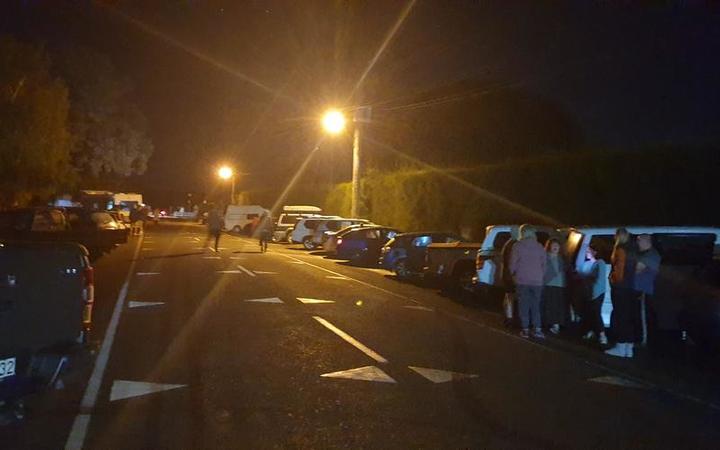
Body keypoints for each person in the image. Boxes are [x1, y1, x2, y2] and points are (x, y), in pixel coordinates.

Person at [509, 225, 547, 339]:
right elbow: (544, 264)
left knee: (524, 305)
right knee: (536, 306)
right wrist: (541, 276)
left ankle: (525, 329)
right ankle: (537, 329)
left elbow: (512, 264)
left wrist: (513, 275)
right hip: (537, 281)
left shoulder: (517, 246)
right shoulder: (539, 246)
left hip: (522, 280)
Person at [606, 228, 638, 358]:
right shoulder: (633, 249)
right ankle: (629, 348)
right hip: (631, 287)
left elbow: (619, 273)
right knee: (629, 316)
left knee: (620, 316)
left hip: (620, 288)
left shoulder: (620, 250)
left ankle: (620, 346)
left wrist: (612, 279)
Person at [634, 234, 661, 349]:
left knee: (644, 317)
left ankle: (645, 342)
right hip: (643, 291)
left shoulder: (650, 255)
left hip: (645, 291)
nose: (637, 244)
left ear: (646, 241)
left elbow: (636, 269)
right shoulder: (649, 254)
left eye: (639, 241)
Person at [579, 244, 608, 345]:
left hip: (597, 293)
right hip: (591, 292)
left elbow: (598, 279)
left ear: (595, 252)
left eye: (589, 251)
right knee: (591, 313)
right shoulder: (590, 263)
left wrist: (593, 290)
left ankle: (602, 335)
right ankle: (592, 332)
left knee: (596, 314)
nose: (587, 253)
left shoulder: (600, 263)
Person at [542, 238, 567, 335]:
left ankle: (556, 325)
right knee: (550, 305)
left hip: (560, 285)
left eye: (557, 245)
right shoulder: (545, 257)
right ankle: (551, 324)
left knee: (558, 306)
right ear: (549, 246)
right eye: (553, 245)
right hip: (549, 284)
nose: (555, 247)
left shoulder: (561, 258)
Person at [500, 235, 518, 328]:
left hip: (507, 275)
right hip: (510, 276)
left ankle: (507, 318)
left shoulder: (508, 244)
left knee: (508, 297)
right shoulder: (513, 245)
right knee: (510, 297)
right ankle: (509, 318)